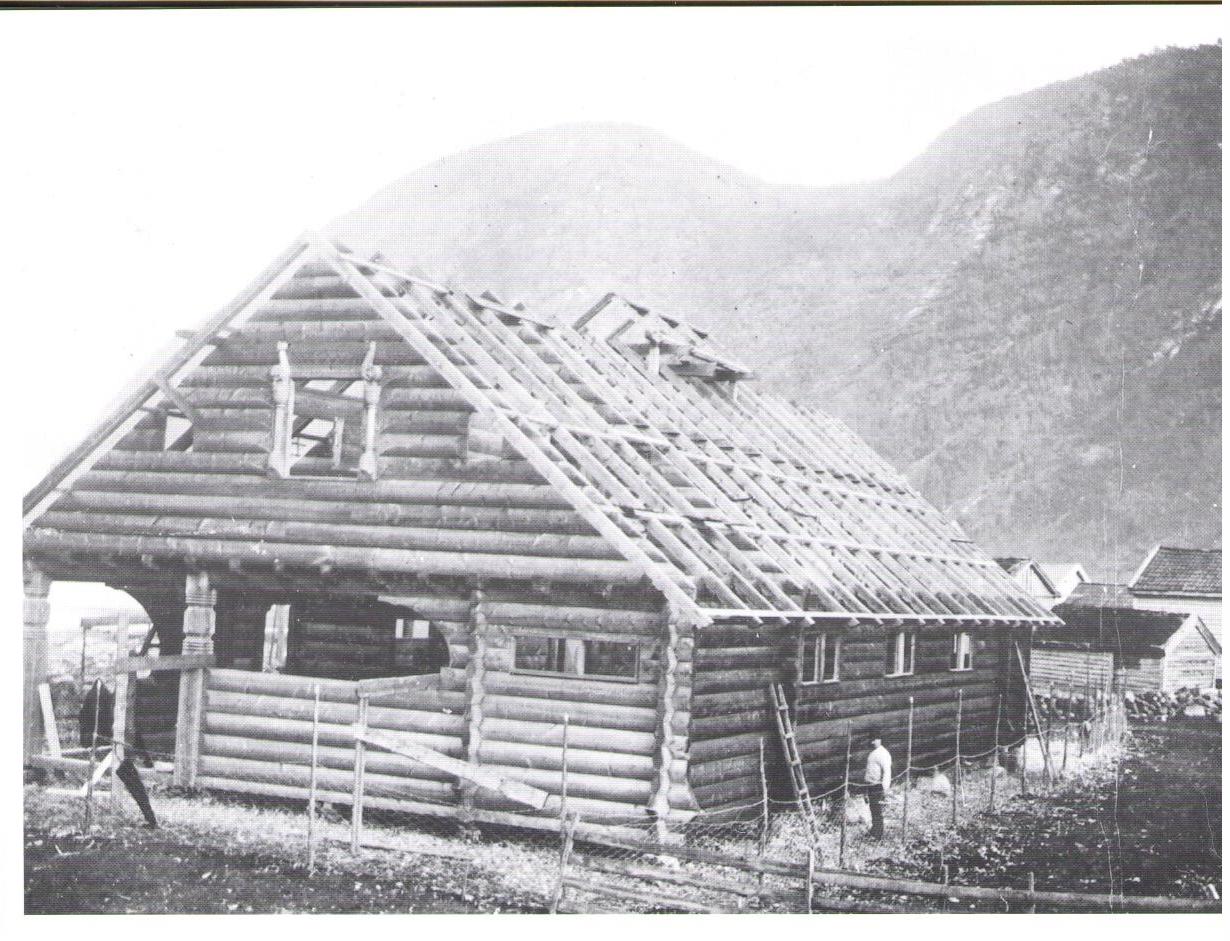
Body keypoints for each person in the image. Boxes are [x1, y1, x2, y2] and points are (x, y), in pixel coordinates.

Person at [862, 730, 892, 840]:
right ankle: (874, 830)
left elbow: (887, 772)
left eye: (875, 739)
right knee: (873, 808)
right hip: (870, 785)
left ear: (880, 740)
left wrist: (884, 788)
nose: (873, 742)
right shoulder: (873, 753)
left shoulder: (883, 754)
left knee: (877, 810)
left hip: (877, 785)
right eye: (871, 740)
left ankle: (878, 834)